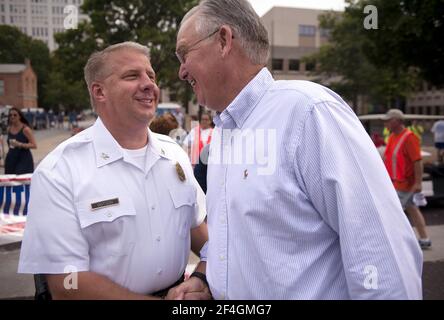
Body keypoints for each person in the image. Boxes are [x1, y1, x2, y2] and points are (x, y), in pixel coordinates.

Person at [169, 0, 422, 300]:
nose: (182, 72)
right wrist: (208, 281)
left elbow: (382, 253)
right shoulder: (225, 134)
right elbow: (242, 242)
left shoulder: (309, 112)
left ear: (224, 40)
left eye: (184, 54)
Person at [18, 42, 210, 300]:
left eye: (151, 76)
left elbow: (199, 231)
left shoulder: (174, 154)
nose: (149, 85)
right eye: (132, 76)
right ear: (99, 92)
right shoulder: (59, 170)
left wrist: (201, 276)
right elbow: (66, 283)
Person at [382, 109, 431, 248]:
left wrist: (418, 182)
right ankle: (424, 239)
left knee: (393, 212)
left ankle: (398, 242)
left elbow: (417, 161)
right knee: (412, 209)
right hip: (395, 182)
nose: (385, 123)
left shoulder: (409, 137)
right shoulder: (392, 137)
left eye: (388, 120)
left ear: (396, 121)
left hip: (404, 184)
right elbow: (389, 159)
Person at [4, 107, 37, 174]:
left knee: (21, 180)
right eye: (10, 115)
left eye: (15, 115)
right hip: (11, 159)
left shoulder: (25, 129)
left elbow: (34, 145)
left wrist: (20, 144)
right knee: (10, 180)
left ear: (20, 116)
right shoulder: (9, 128)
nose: (12, 117)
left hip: (23, 159)